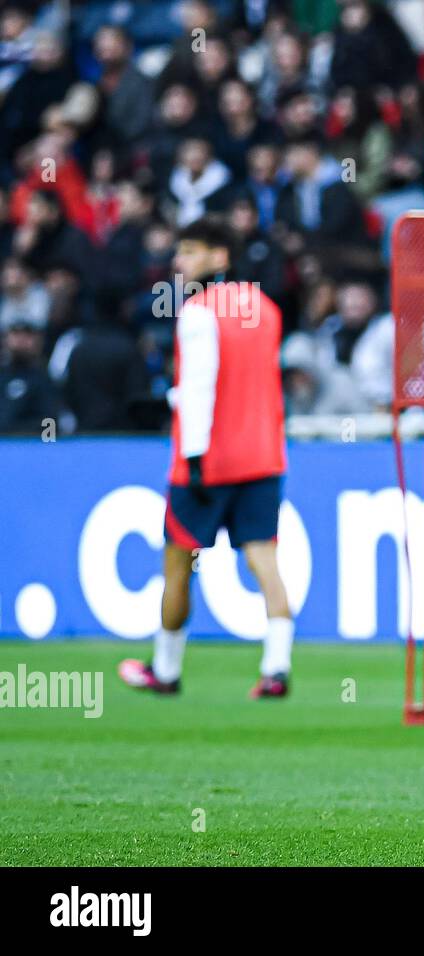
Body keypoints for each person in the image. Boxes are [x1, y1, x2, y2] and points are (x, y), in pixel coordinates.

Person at [118, 218, 294, 699]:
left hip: (209, 459)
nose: (180, 261)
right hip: (263, 455)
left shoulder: (197, 311)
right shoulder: (267, 309)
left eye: (191, 251)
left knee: (178, 565)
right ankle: (276, 668)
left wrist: (195, 460)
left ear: (221, 257)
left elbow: (200, 387)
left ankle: (167, 669)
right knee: (264, 560)